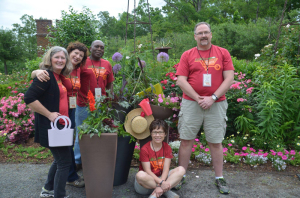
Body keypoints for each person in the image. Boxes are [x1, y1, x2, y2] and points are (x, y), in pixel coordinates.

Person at [175, 22, 234, 194]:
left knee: (215, 142)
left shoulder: (223, 53)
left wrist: (212, 98)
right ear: (195, 36)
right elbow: (181, 80)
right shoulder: (187, 55)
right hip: (191, 103)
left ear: (211, 34)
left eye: (206, 32)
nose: (203, 36)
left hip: (217, 103)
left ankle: (219, 178)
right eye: (199, 33)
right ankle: (180, 175)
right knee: (186, 140)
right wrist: (199, 98)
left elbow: (229, 78)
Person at [31, 41, 88, 188]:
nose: (77, 57)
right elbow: (42, 75)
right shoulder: (59, 70)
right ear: (68, 53)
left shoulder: (75, 70)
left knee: (65, 149)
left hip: (70, 111)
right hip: (58, 113)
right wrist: (36, 72)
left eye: (81, 55)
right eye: (75, 53)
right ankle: (69, 177)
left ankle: (49, 187)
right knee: (64, 153)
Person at [24, 46, 73, 198]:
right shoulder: (46, 76)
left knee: (60, 160)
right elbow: (29, 98)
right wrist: (50, 114)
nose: (60, 60)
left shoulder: (58, 76)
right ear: (50, 59)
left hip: (61, 126)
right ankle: (59, 195)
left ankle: (47, 189)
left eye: (63, 57)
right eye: (56, 57)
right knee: (65, 162)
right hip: (52, 126)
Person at [74, 40, 114, 169]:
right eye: (96, 46)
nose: (99, 49)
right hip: (83, 104)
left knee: (98, 133)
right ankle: (77, 161)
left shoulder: (107, 64)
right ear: (90, 49)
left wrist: (109, 98)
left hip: (101, 105)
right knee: (81, 133)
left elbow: (110, 83)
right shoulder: (82, 62)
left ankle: (93, 159)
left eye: (102, 47)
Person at [125, 113, 185, 198]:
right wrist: (161, 183)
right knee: (140, 175)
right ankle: (166, 191)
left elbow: (166, 169)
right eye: (155, 132)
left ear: (165, 134)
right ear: (151, 134)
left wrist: (162, 182)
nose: (158, 135)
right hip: (147, 183)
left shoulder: (167, 147)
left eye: (160, 132)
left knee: (181, 169)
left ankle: (157, 193)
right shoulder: (145, 149)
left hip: (161, 178)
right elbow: (147, 171)